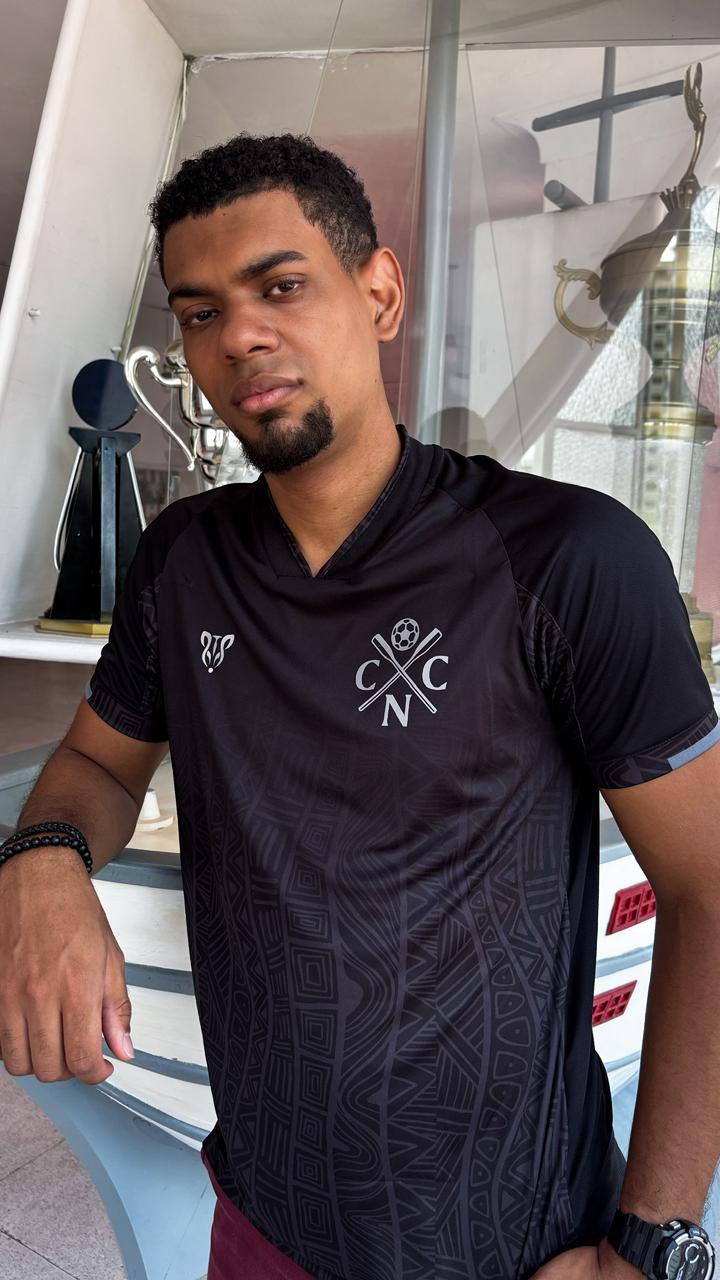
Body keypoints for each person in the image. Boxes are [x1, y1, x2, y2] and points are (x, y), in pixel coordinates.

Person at [1, 132, 719, 1280]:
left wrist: (650, 1245)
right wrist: (40, 860)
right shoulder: (183, 562)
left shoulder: (567, 558)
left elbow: (709, 884)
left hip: (515, 1245)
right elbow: (97, 762)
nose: (239, 336)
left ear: (380, 293)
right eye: (199, 311)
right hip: (265, 1223)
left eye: (281, 286)